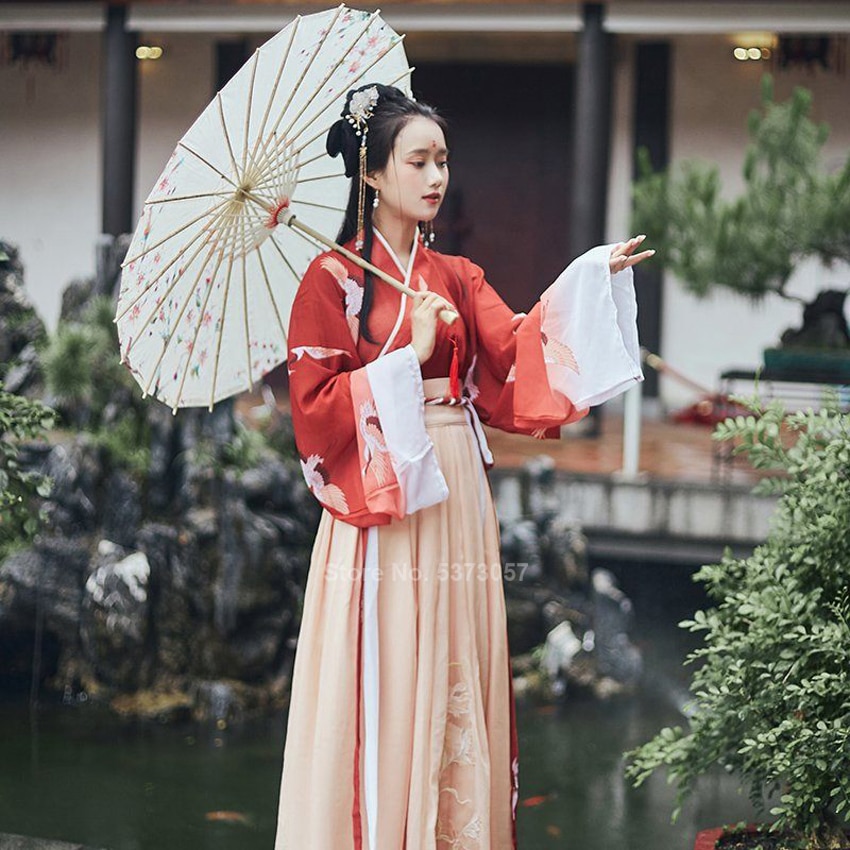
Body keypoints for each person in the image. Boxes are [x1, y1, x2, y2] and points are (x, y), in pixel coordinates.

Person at [274, 83, 652, 850]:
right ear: (373, 175)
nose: (436, 176)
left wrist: (590, 276)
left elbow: (516, 347)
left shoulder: (455, 275)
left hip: (455, 488)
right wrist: (405, 358)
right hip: (382, 496)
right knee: (385, 665)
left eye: (442, 160)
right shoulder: (332, 281)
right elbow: (312, 407)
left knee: (452, 655)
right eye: (417, 161)